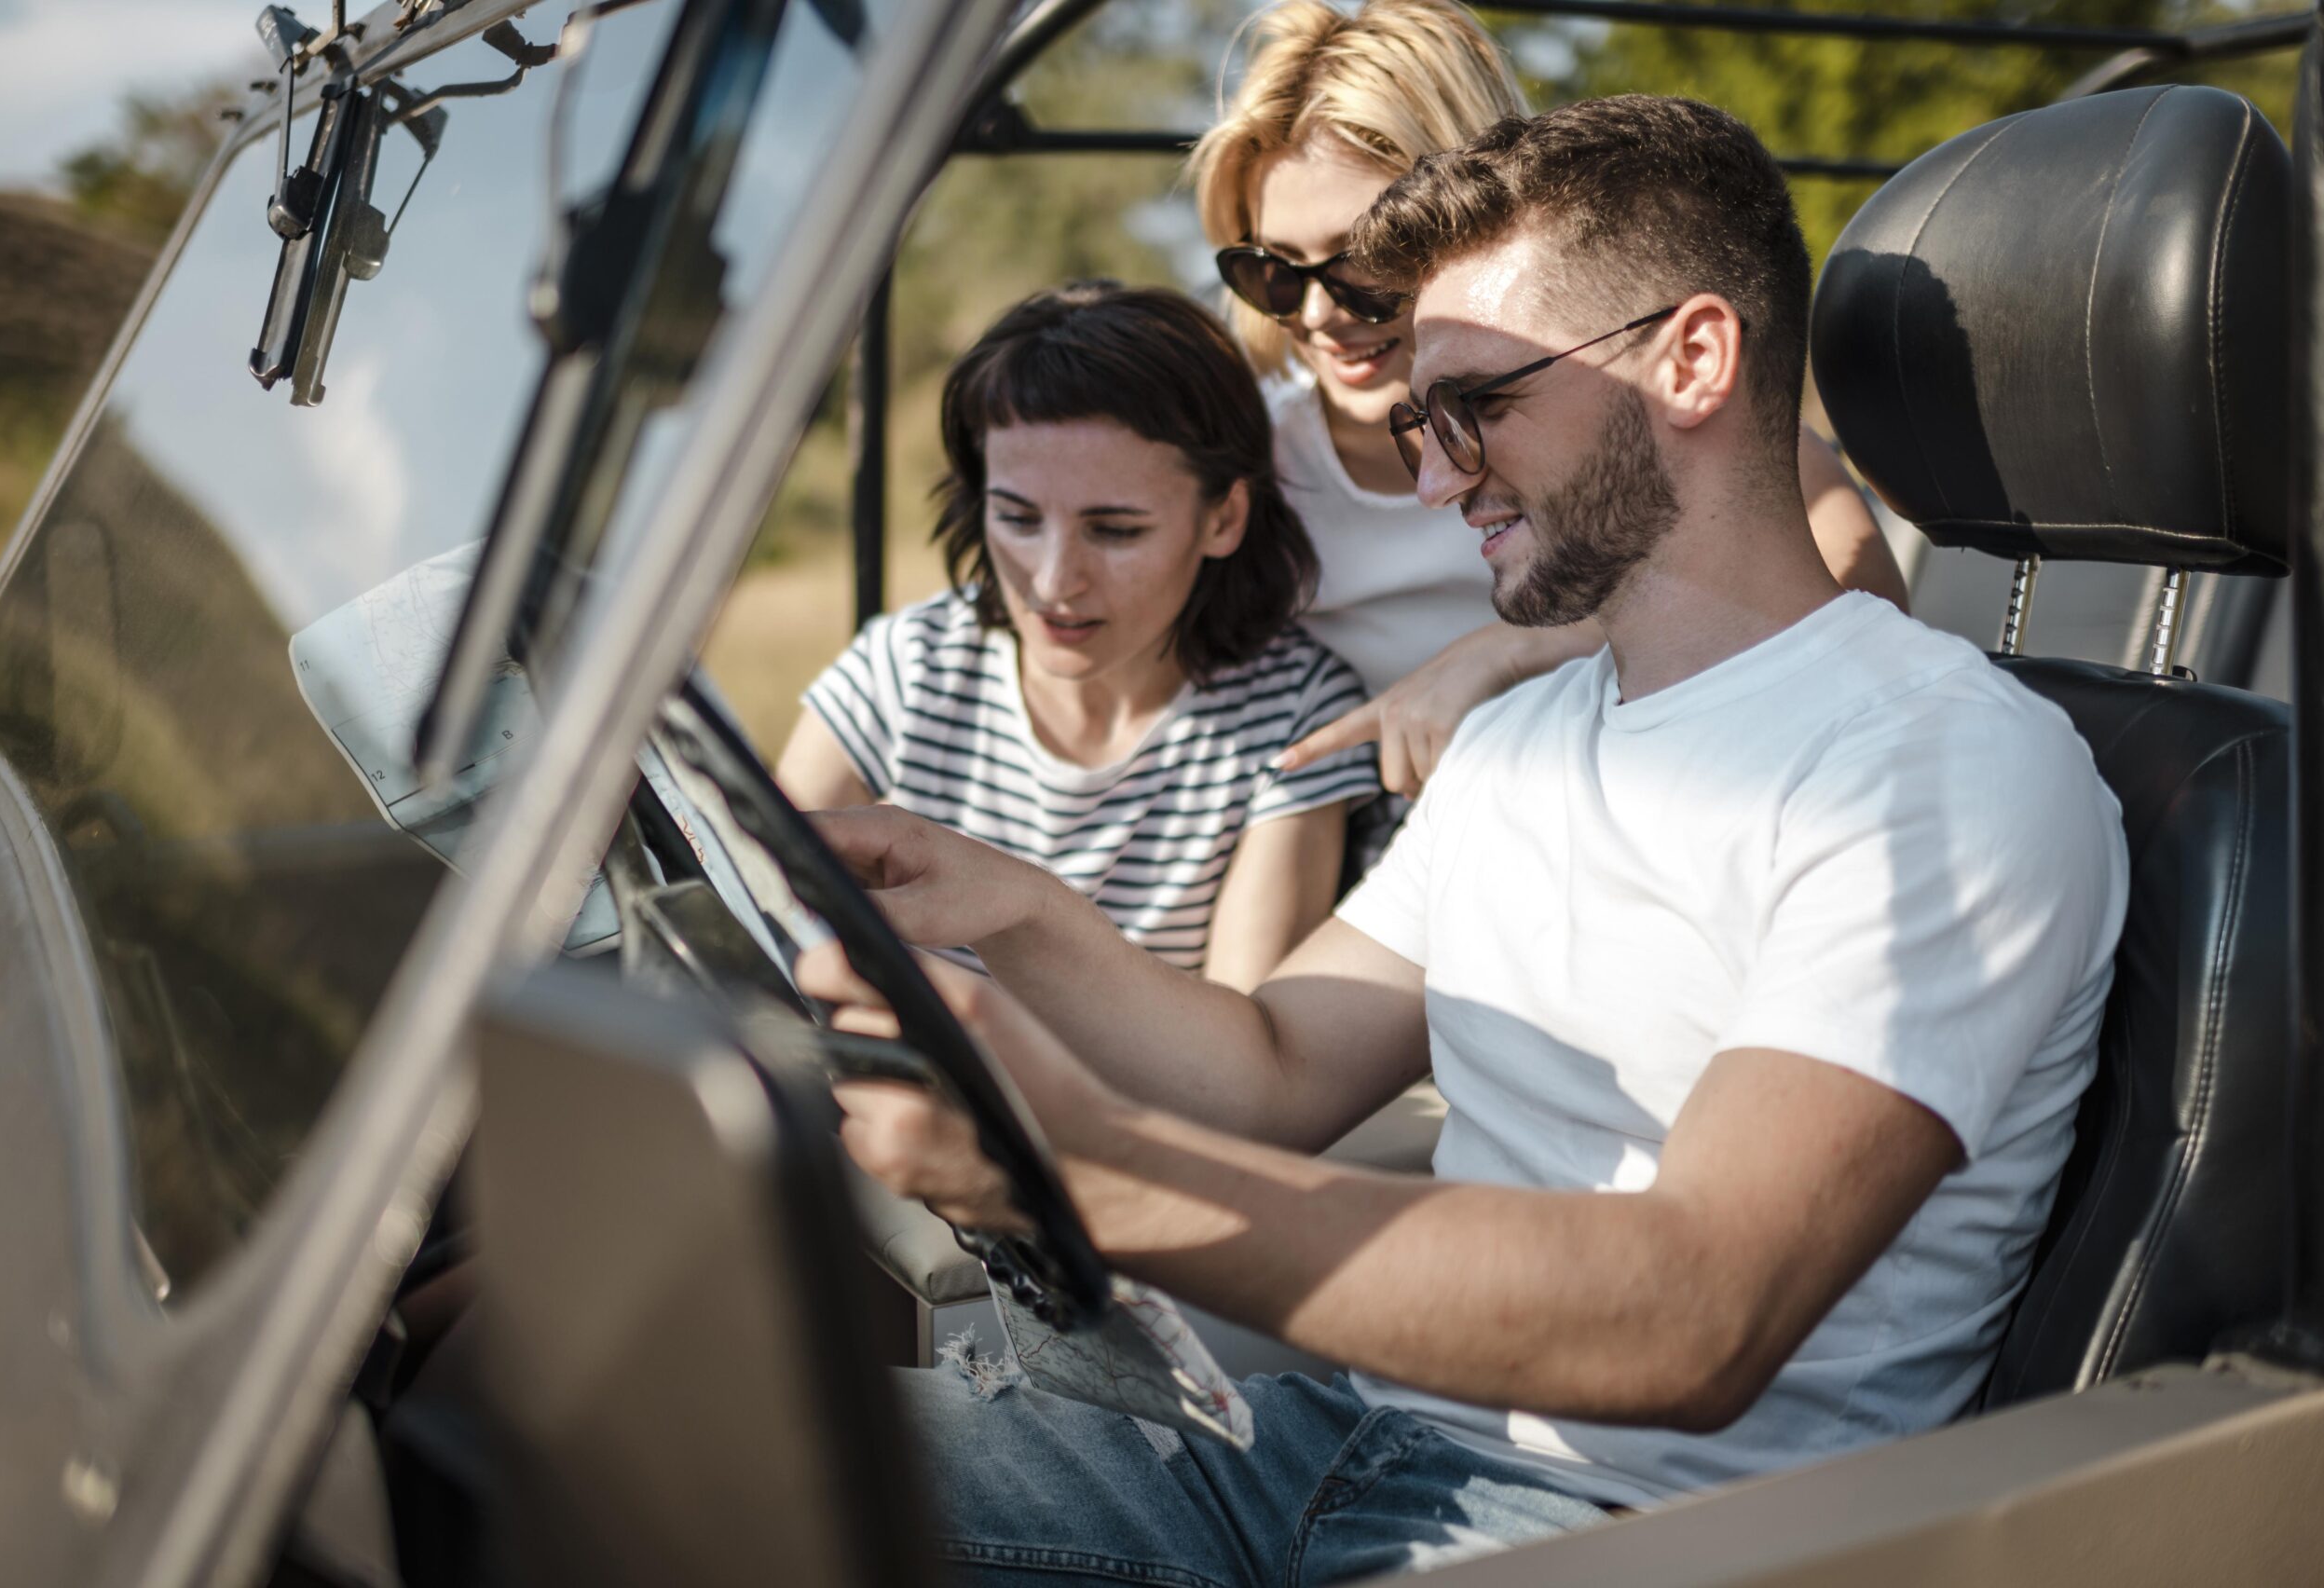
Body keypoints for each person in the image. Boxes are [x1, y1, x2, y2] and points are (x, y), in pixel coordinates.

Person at [806, 97, 2129, 1583]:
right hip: (1331, 1450)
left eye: (1479, 408)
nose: (1437, 480)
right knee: (664, 1449)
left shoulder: (1938, 769)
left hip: (1646, 1531)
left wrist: (1093, 1176)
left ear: (1691, 358)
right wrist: (1011, 906)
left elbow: (1690, 1318)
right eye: (1419, 425)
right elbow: (1273, 1073)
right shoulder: (1524, 741)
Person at [1191, 0, 1910, 800]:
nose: (1317, 314)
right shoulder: (1246, 470)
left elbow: (1860, 599)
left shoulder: (1628, 410)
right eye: (1276, 273)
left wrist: (1520, 650)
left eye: (1363, 263)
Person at [778, 282, 1381, 992]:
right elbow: (753, 914)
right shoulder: (907, 665)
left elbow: (1244, 1068)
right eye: (1018, 519)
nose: (1055, 583)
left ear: (1224, 519)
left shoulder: (1299, 716)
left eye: (1115, 531)